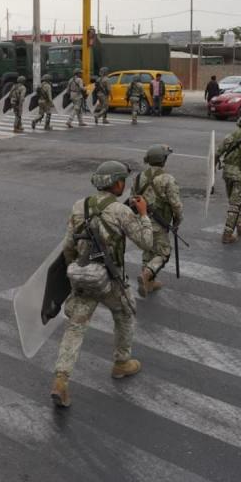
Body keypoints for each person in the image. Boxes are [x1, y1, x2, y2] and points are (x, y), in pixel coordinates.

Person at [51, 161, 156, 408]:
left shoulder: (80, 206)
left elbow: (68, 246)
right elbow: (147, 243)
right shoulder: (121, 211)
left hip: (83, 276)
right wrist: (143, 215)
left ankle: (61, 380)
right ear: (117, 183)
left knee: (75, 328)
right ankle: (121, 362)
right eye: (123, 181)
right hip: (110, 279)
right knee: (125, 314)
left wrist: (74, 273)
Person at [129, 144, 183, 297]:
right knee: (163, 253)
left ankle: (149, 284)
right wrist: (178, 220)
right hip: (159, 223)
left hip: (142, 220)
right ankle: (147, 274)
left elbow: (133, 199)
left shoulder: (139, 177)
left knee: (148, 251)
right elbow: (176, 204)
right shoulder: (167, 179)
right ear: (163, 160)